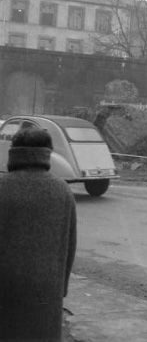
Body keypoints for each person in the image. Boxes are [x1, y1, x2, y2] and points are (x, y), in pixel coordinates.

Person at [0, 127, 77, 341]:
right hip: (46, 293)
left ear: (13, 152)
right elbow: (69, 246)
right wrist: (60, 289)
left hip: (5, 291)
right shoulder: (62, 191)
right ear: (47, 153)